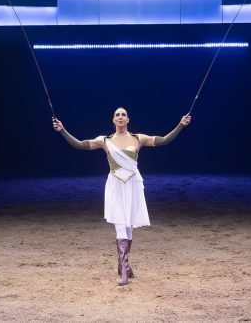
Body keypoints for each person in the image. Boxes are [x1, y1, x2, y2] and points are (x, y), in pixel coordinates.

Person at [53, 108, 192, 286]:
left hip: (133, 184)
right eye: (117, 115)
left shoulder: (138, 138)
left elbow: (164, 139)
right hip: (115, 184)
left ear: (128, 119)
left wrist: (181, 125)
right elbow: (79, 144)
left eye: (123, 115)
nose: (120, 117)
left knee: (129, 223)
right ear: (113, 120)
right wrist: (62, 130)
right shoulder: (104, 140)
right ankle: (124, 270)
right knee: (120, 221)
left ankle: (123, 264)